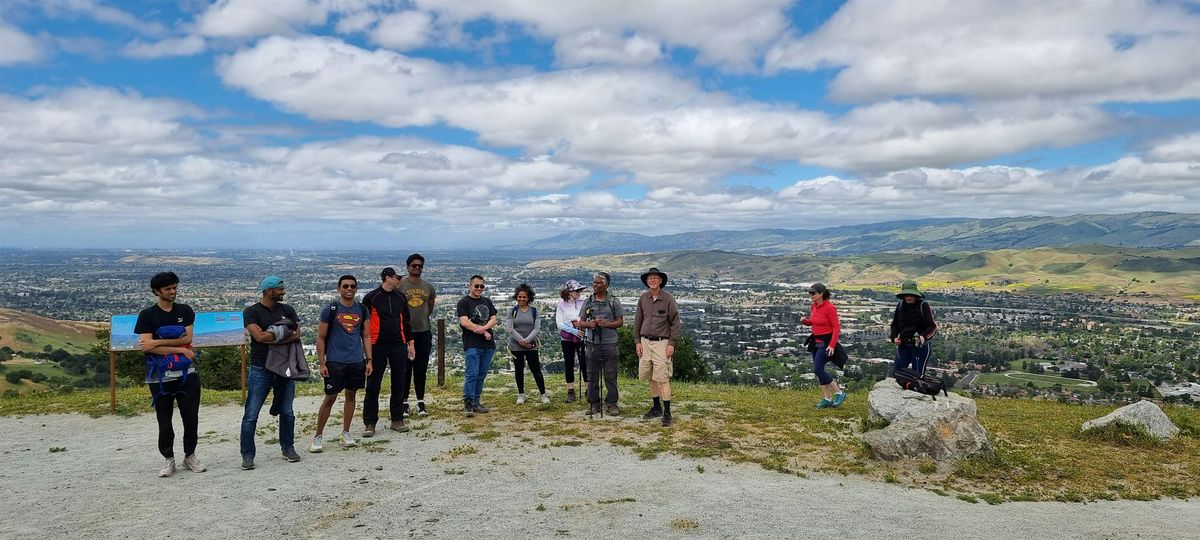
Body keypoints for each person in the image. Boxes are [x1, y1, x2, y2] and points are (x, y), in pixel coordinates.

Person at [135, 271, 205, 477]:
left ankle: (189, 455)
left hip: (187, 375)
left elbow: (188, 337)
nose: (173, 292)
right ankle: (168, 458)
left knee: (190, 417)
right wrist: (181, 349)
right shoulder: (147, 315)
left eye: (175, 287)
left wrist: (157, 342)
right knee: (164, 419)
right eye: (168, 289)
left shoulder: (185, 310)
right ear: (157, 291)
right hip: (160, 376)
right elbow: (147, 348)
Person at [240, 276, 303, 470]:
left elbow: (298, 333)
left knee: (287, 411)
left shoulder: (287, 309)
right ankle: (248, 454)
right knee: (251, 413)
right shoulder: (251, 312)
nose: (283, 292)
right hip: (261, 367)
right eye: (279, 289)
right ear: (268, 291)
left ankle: (288, 447)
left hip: (284, 367)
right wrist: (285, 335)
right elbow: (257, 336)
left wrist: (272, 337)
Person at [311, 275, 374, 453]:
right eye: (345, 286)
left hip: (355, 360)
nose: (349, 289)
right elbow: (321, 337)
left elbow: (366, 336)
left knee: (351, 396)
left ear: (356, 288)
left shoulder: (362, 310)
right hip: (335, 361)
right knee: (330, 397)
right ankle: (318, 435)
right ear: (339, 288)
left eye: (352, 286)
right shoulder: (330, 309)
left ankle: (345, 432)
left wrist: (369, 360)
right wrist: (322, 362)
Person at [362, 267, 417, 436]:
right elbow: (364, 324)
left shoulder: (401, 297)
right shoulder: (371, 297)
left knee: (399, 383)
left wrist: (411, 342)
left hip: (398, 344)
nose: (400, 280)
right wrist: (366, 348)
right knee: (373, 384)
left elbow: (406, 321)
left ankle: (397, 418)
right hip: (377, 344)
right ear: (387, 278)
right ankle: (370, 422)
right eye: (397, 277)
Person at [633, 267, 680, 427]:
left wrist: (671, 344)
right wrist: (637, 341)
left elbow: (675, 323)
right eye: (649, 278)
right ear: (647, 281)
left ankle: (667, 412)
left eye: (655, 278)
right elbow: (637, 321)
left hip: (662, 342)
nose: (652, 280)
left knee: (663, 378)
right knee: (651, 376)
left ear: (660, 281)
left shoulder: (668, 299)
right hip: (645, 342)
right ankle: (656, 407)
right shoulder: (643, 299)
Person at [573, 272, 623, 416]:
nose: (595, 285)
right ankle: (594, 403)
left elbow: (620, 322)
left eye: (598, 283)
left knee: (610, 375)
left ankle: (612, 404)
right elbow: (580, 322)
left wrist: (606, 324)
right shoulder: (588, 301)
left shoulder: (614, 301)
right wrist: (589, 324)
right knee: (592, 374)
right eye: (594, 283)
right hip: (592, 342)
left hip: (609, 343)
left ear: (606, 285)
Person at [397, 253, 436, 418]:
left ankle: (420, 401)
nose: (417, 268)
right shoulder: (400, 286)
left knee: (421, 369)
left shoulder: (428, 287)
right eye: (414, 265)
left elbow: (430, 306)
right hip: (405, 334)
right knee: (405, 369)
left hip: (423, 332)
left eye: (420, 265)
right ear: (408, 267)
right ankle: (404, 402)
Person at [458, 275, 498, 417]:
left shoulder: (487, 301)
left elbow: (494, 318)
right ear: (470, 286)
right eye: (477, 286)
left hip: (488, 344)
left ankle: (476, 401)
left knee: (481, 374)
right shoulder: (464, 302)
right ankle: (468, 403)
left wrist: (484, 329)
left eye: (482, 286)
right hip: (472, 343)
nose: (479, 289)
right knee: (472, 374)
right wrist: (482, 331)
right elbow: (464, 322)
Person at [801, 283, 846, 408]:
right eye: (810, 293)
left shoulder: (829, 307)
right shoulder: (814, 306)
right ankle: (827, 398)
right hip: (816, 341)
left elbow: (836, 327)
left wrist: (831, 345)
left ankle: (839, 392)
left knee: (818, 369)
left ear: (821, 294)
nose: (811, 295)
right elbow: (814, 322)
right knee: (819, 370)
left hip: (826, 342)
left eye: (813, 293)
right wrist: (806, 322)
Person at [508, 283, 547, 404]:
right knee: (519, 370)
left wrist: (527, 341)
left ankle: (543, 394)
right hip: (516, 345)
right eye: (519, 297)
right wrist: (521, 341)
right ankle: (521, 394)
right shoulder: (512, 311)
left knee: (536, 369)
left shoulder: (534, 311)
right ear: (516, 297)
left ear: (529, 297)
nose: (522, 299)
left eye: (524, 297)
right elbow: (510, 328)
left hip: (531, 345)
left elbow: (536, 328)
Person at [889, 280, 938, 375]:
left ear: (916, 295)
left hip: (919, 346)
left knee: (918, 374)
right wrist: (894, 337)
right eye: (906, 295)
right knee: (897, 373)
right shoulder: (901, 305)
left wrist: (923, 337)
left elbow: (932, 326)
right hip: (903, 345)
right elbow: (895, 324)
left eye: (911, 295)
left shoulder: (923, 305)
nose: (909, 297)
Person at [554, 279, 588, 403]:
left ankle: (588, 390)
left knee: (584, 363)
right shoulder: (561, 305)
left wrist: (582, 327)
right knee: (569, 363)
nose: (579, 292)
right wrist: (574, 331)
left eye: (580, 290)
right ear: (569, 292)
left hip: (583, 336)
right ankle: (570, 390)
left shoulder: (583, 303)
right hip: (567, 338)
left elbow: (587, 317)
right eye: (576, 290)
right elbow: (559, 324)